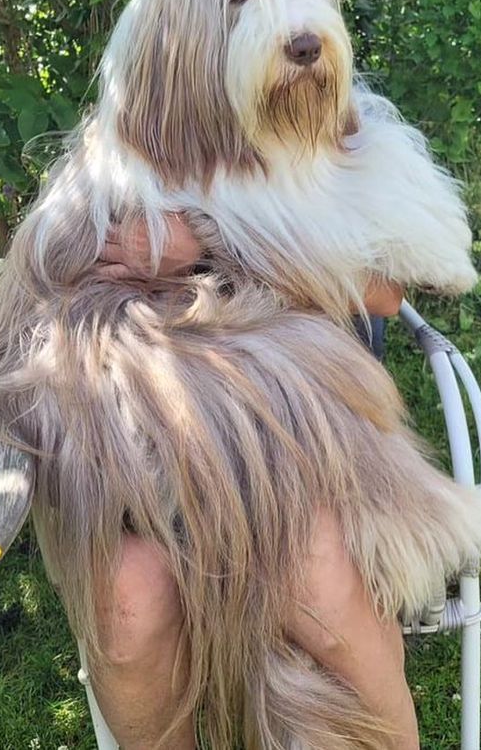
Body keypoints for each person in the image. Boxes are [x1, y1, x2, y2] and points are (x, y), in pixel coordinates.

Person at [91, 213, 418, 750]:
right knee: (128, 603)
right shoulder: (111, 155)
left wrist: (204, 242)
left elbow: (383, 294)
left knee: (314, 582)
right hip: (154, 434)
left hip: (299, 419)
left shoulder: (330, 135)